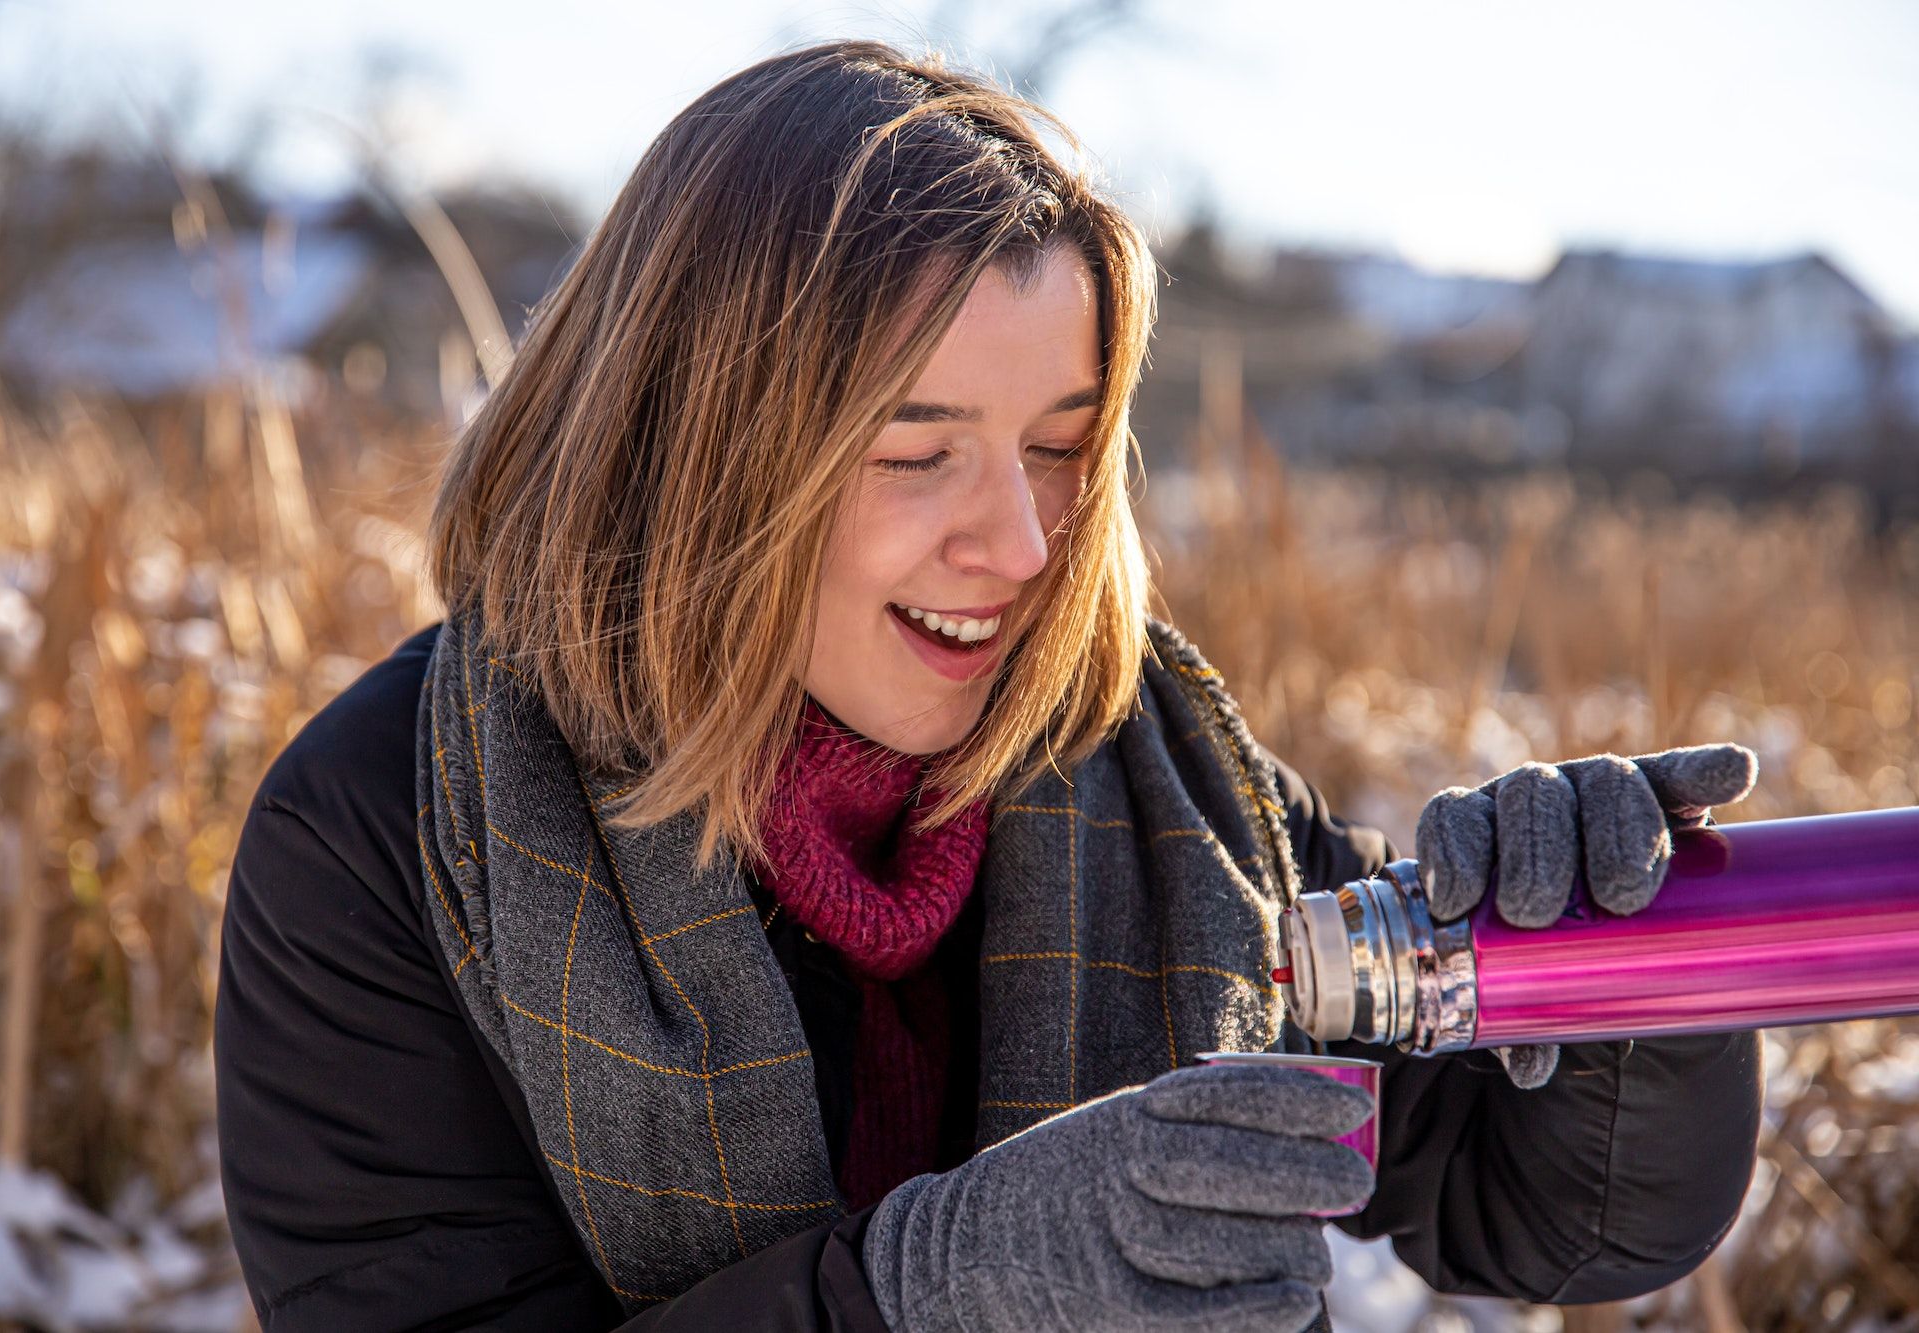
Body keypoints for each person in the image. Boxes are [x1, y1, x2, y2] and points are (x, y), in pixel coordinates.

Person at [212, 38, 1762, 1333]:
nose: (1022, 543)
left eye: (1064, 449)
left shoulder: (1166, 784)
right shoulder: (397, 835)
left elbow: (1541, 1220)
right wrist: (922, 1293)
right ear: (691, 452)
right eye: (914, 449)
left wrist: (1629, 993)